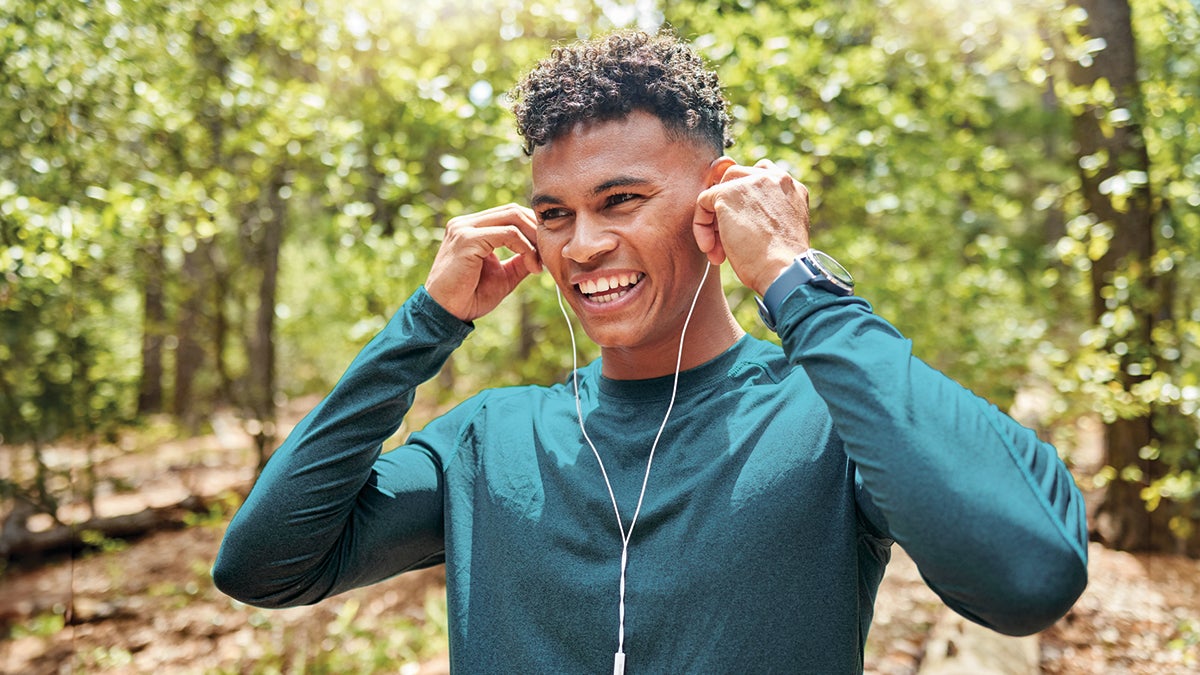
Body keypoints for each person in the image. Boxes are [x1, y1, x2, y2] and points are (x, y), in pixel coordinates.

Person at [214, 30, 1087, 673]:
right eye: (554, 213)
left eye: (621, 199)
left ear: (720, 194)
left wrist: (796, 279)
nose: (581, 244)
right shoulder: (490, 438)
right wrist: (424, 324)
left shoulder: (829, 415)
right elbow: (263, 563)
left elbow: (1025, 571)